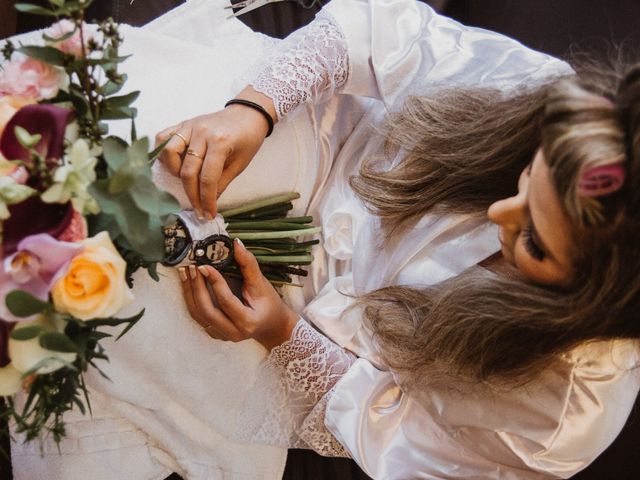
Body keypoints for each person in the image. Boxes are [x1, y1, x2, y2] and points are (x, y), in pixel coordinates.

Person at [8, 0, 640, 479]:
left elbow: (394, 434)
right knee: (103, 137)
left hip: (298, 334)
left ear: (587, 306)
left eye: (532, 242)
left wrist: (281, 333)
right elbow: (385, 31)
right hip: (311, 144)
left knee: (109, 327)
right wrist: (252, 110)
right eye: (524, 177)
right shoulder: (554, 107)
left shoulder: (562, 416)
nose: (497, 214)